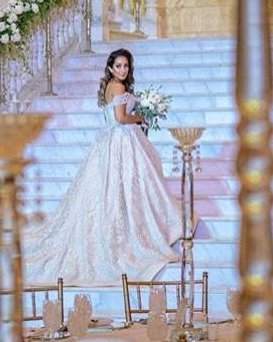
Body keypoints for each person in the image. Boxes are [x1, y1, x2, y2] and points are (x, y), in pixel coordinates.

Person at [23, 49, 182, 286]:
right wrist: (140, 118)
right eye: (118, 66)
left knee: (116, 191)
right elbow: (119, 118)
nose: (122, 70)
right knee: (122, 187)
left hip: (112, 141)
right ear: (110, 68)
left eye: (126, 66)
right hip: (120, 141)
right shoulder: (118, 88)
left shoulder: (111, 86)